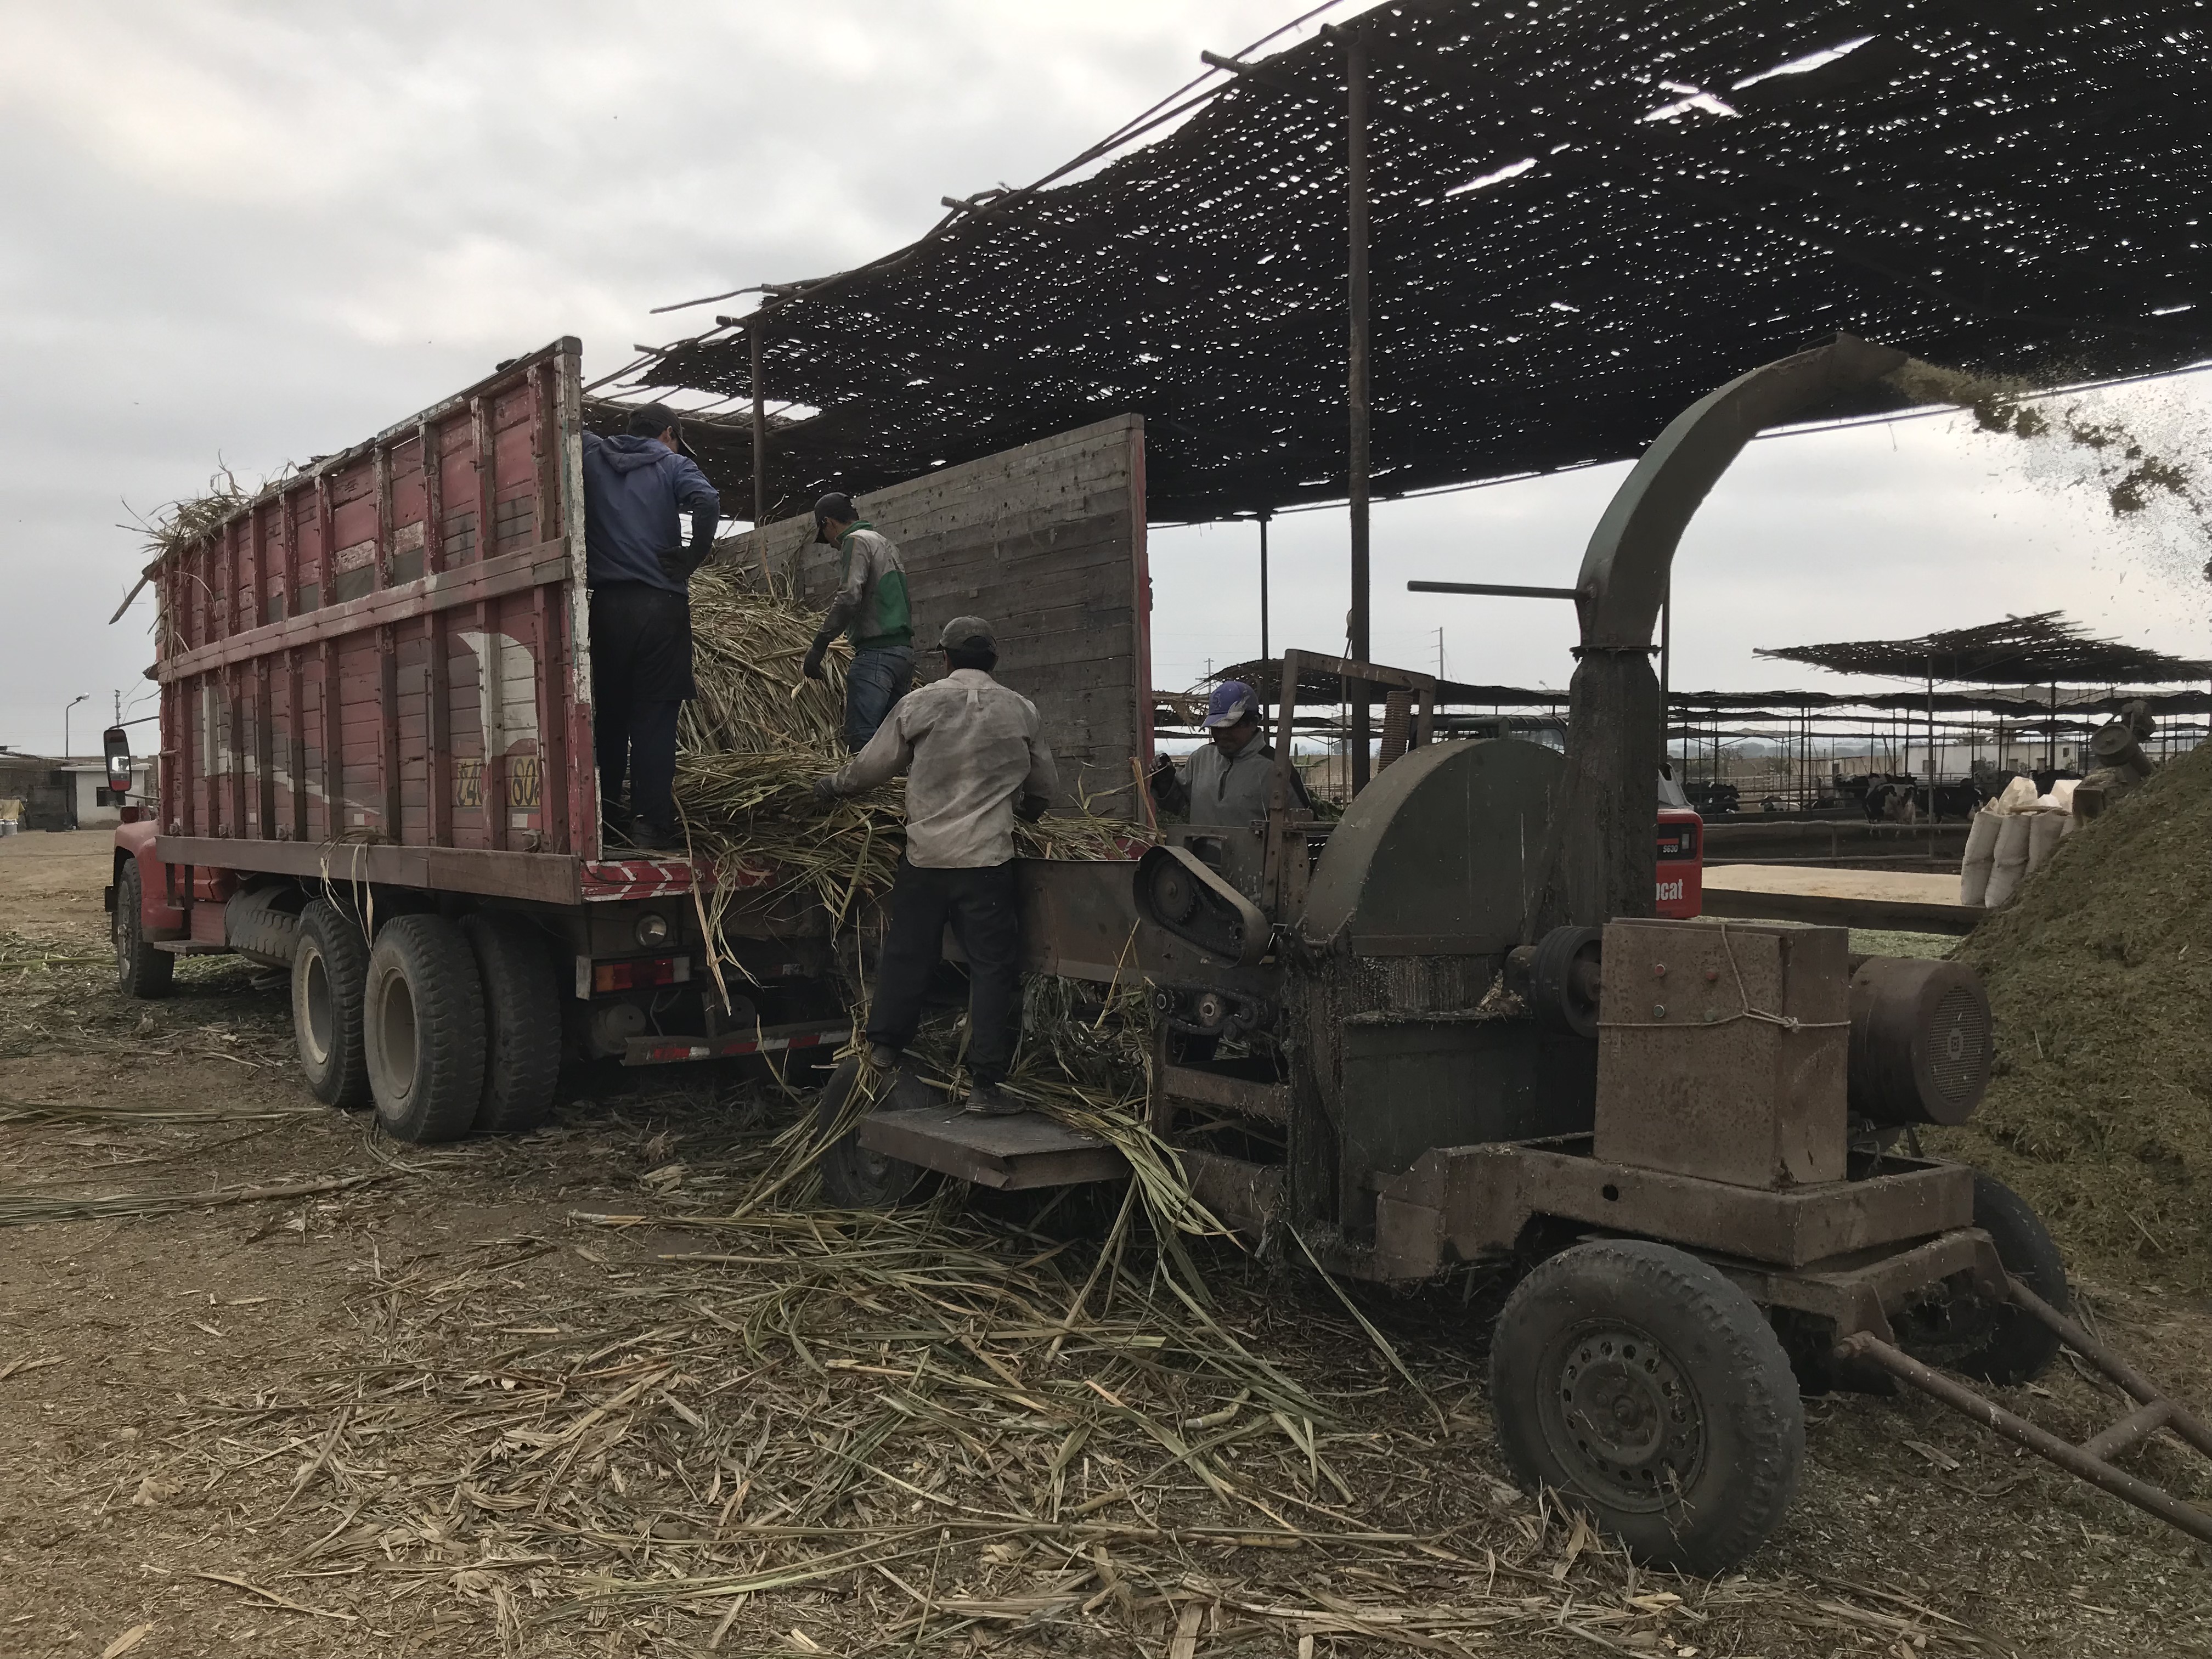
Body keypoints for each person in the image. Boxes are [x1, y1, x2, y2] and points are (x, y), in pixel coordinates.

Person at [814, 616, 1057, 1116]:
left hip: (926, 859)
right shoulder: (1021, 711)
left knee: (908, 954)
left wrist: (832, 786)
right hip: (987, 863)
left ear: (944, 658)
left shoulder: (919, 704)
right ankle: (985, 1087)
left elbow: (871, 766)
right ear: (994, 661)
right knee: (991, 970)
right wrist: (1029, 807)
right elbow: (1044, 783)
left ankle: (884, 1049)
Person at [582, 403, 720, 851]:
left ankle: (604, 818)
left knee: (610, 718)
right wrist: (692, 556)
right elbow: (708, 500)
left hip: (606, 607)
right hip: (661, 608)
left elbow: (563, 422)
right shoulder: (672, 463)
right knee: (654, 719)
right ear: (667, 434)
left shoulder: (593, 456)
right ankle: (649, 826)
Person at [802, 493, 914, 751]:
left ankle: (868, 793)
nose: (831, 545)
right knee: (895, 741)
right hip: (903, 652)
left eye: (826, 537)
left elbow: (849, 597)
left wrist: (818, 646)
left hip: (877, 653)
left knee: (861, 737)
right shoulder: (886, 544)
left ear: (827, 523)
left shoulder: (856, 541)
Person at [1149, 680, 1310, 827]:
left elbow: (1305, 828)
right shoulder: (1201, 759)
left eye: (1230, 727)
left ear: (1253, 723)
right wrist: (1165, 782)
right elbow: (1177, 805)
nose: (1222, 734)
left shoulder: (1277, 770)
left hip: (1251, 859)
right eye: (1216, 728)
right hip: (1197, 859)